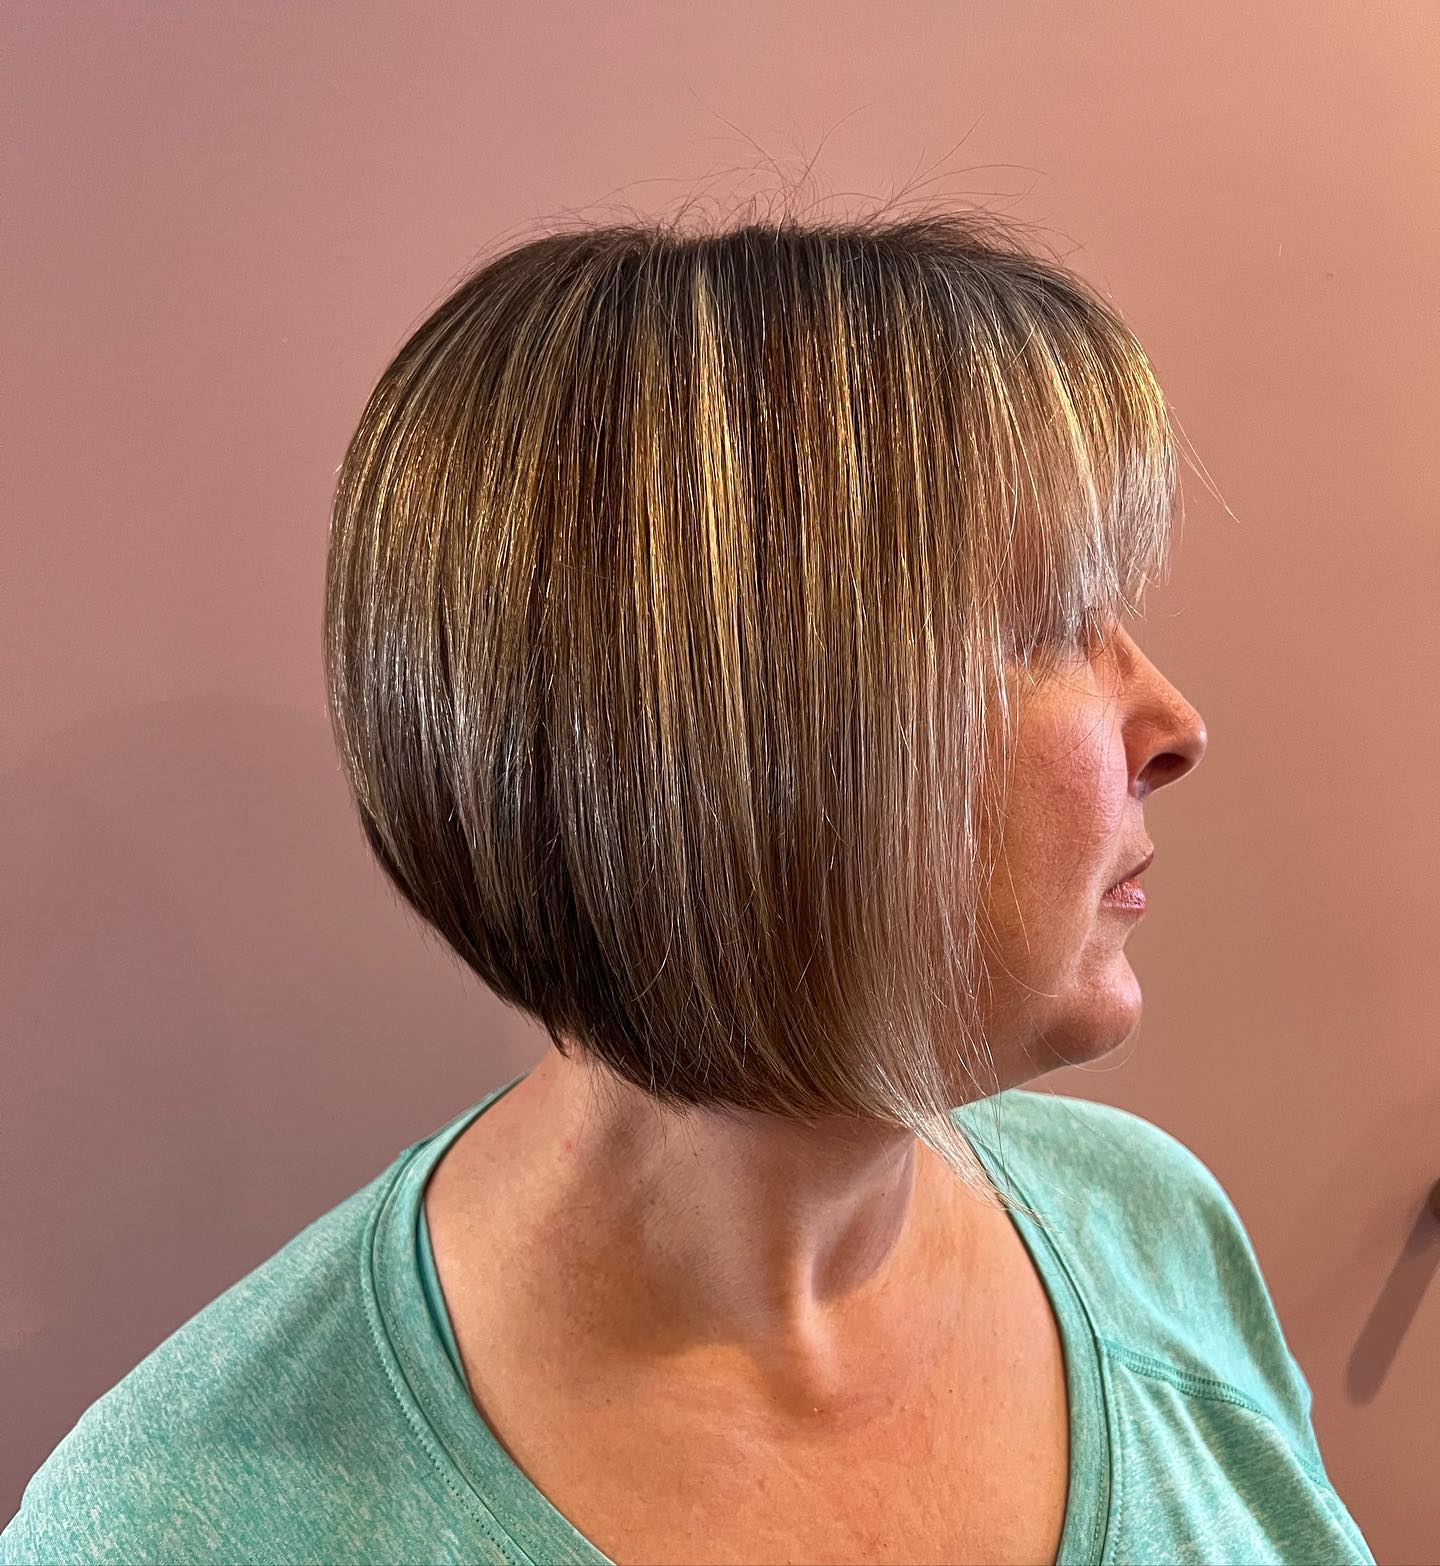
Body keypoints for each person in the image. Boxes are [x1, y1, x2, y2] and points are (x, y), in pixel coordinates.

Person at [1, 207, 1376, 1565]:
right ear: (736, 753)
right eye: (1054, 622)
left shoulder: (1153, 1228)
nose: (1175, 724)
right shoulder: (168, 1529)